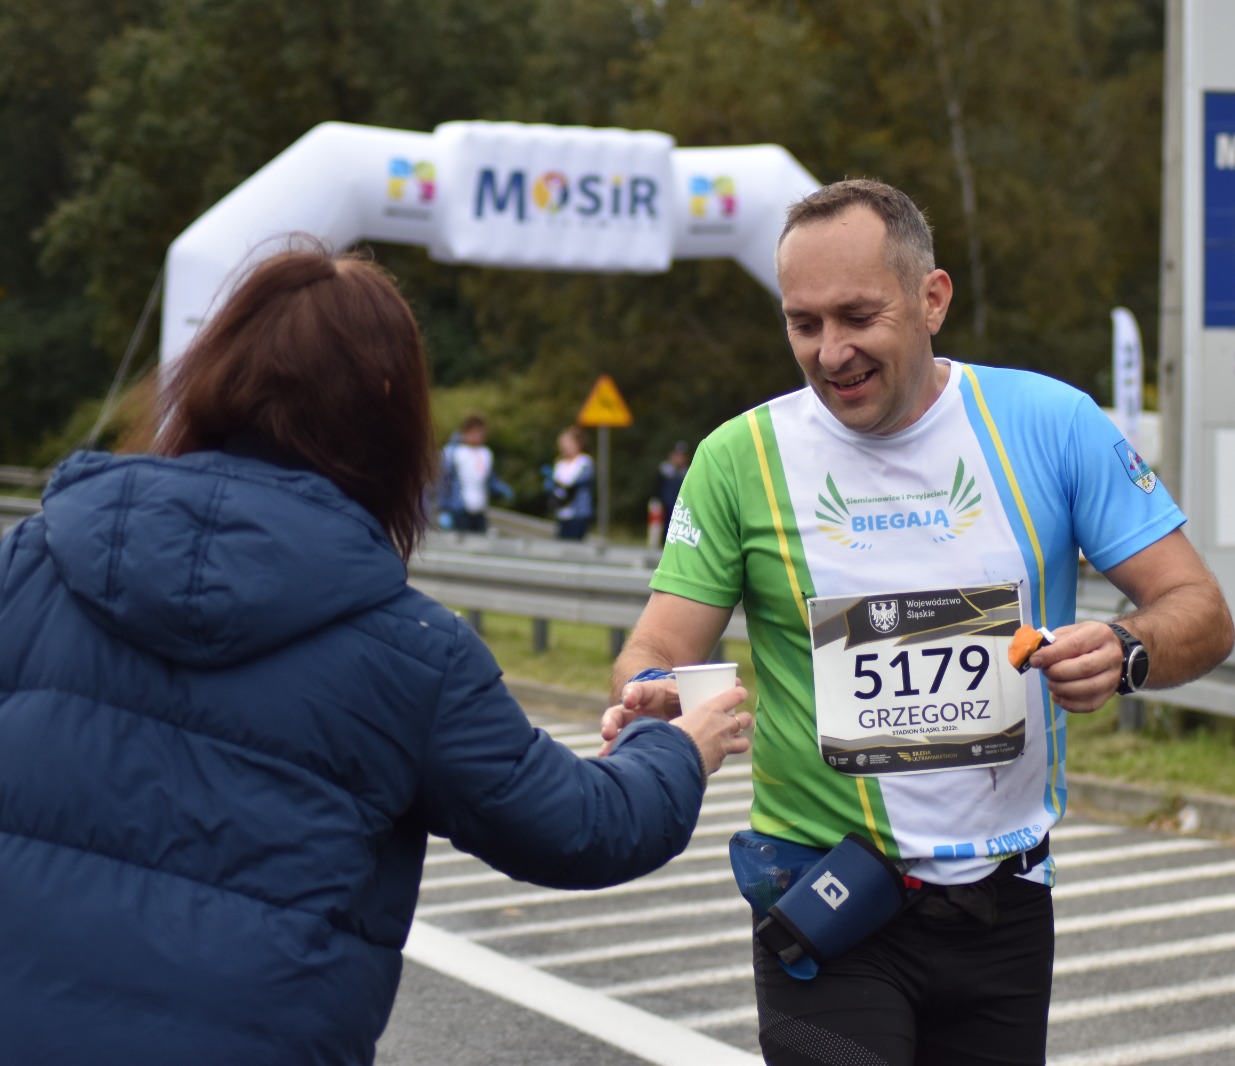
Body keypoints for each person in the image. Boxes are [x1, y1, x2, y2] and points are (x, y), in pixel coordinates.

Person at [0, 245, 753, 1065]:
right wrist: (679, 747)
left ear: (214, 371)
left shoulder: (28, 565)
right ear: (390, 411)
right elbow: (581, 826)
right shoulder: (413, 653)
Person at [599, 179, 1234, 1064]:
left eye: (859, 316)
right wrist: (651, 691)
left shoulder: (1050, 424)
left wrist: (1129, 648)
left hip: (1003, 900)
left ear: (932, 299)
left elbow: (1201, 610)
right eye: (803, 323)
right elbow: (659, 647)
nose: (831, 352)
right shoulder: (739, 458)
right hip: (826, 889)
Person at [435, 412, 513, 533]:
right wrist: (443, 508)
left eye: (481, 432)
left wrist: (500, 489)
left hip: (480, 510)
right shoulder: (454, 453)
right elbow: (444, 483)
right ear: (465, 432)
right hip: (459, 511)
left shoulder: (486, 454)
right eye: (475, 432)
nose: (478, 435)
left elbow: (490, 480)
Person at [548, 424, 595, 540]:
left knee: (574, 545)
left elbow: (572, 482)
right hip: (562, 511)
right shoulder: (560, 463)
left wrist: (561, 485)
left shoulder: (584, 462)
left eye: (567, 442)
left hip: (578, 512)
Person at [654, 439, 690, 521]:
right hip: (664, 509)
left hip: (681, 510)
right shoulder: (664, 471)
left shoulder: (687, 473)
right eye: (677, 455)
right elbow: (656, 491)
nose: (680, 459)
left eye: (682, 456)